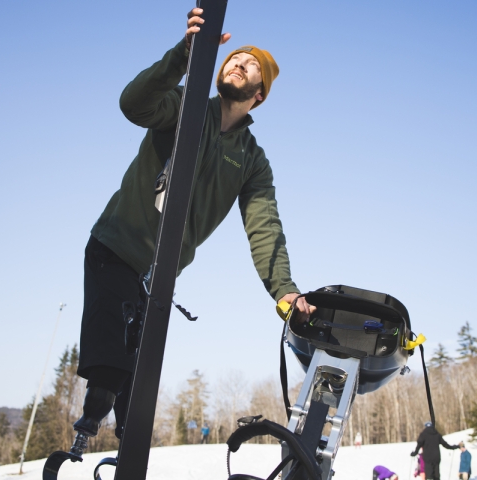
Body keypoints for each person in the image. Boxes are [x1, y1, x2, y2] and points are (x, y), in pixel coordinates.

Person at [64, 5, 315, 457]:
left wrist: (284, 291)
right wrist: (183, 54)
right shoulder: (185, 104)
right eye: (233, 59)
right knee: (113, 359)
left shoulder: (252, 160)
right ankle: (84, 432)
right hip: (116, 246)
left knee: (138, 381)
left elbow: (265, 227)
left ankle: (127, 449)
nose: (237, 64)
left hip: (159, 275)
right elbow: (133, 104)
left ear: (259, 94)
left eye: (250, 65)